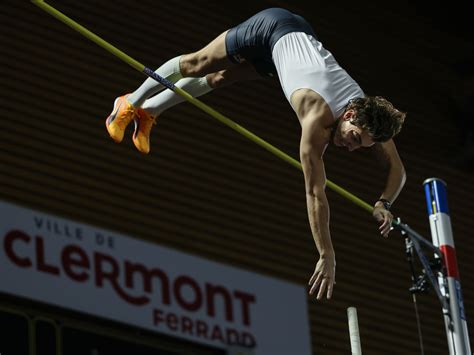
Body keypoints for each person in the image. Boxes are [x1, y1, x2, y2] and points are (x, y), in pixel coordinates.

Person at [104, 8, 406, 301]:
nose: (351, 147)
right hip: (272, 27)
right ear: (350, 113)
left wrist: (384, 203)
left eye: (360, 146)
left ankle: (149, 112)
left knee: (223, 78)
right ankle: (130, 101)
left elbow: (398, 169)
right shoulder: (315, 119)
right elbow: (316, 194)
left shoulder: (369, 118)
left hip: (291, 46)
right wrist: (326, 253)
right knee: (198, 64)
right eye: (353, 137)